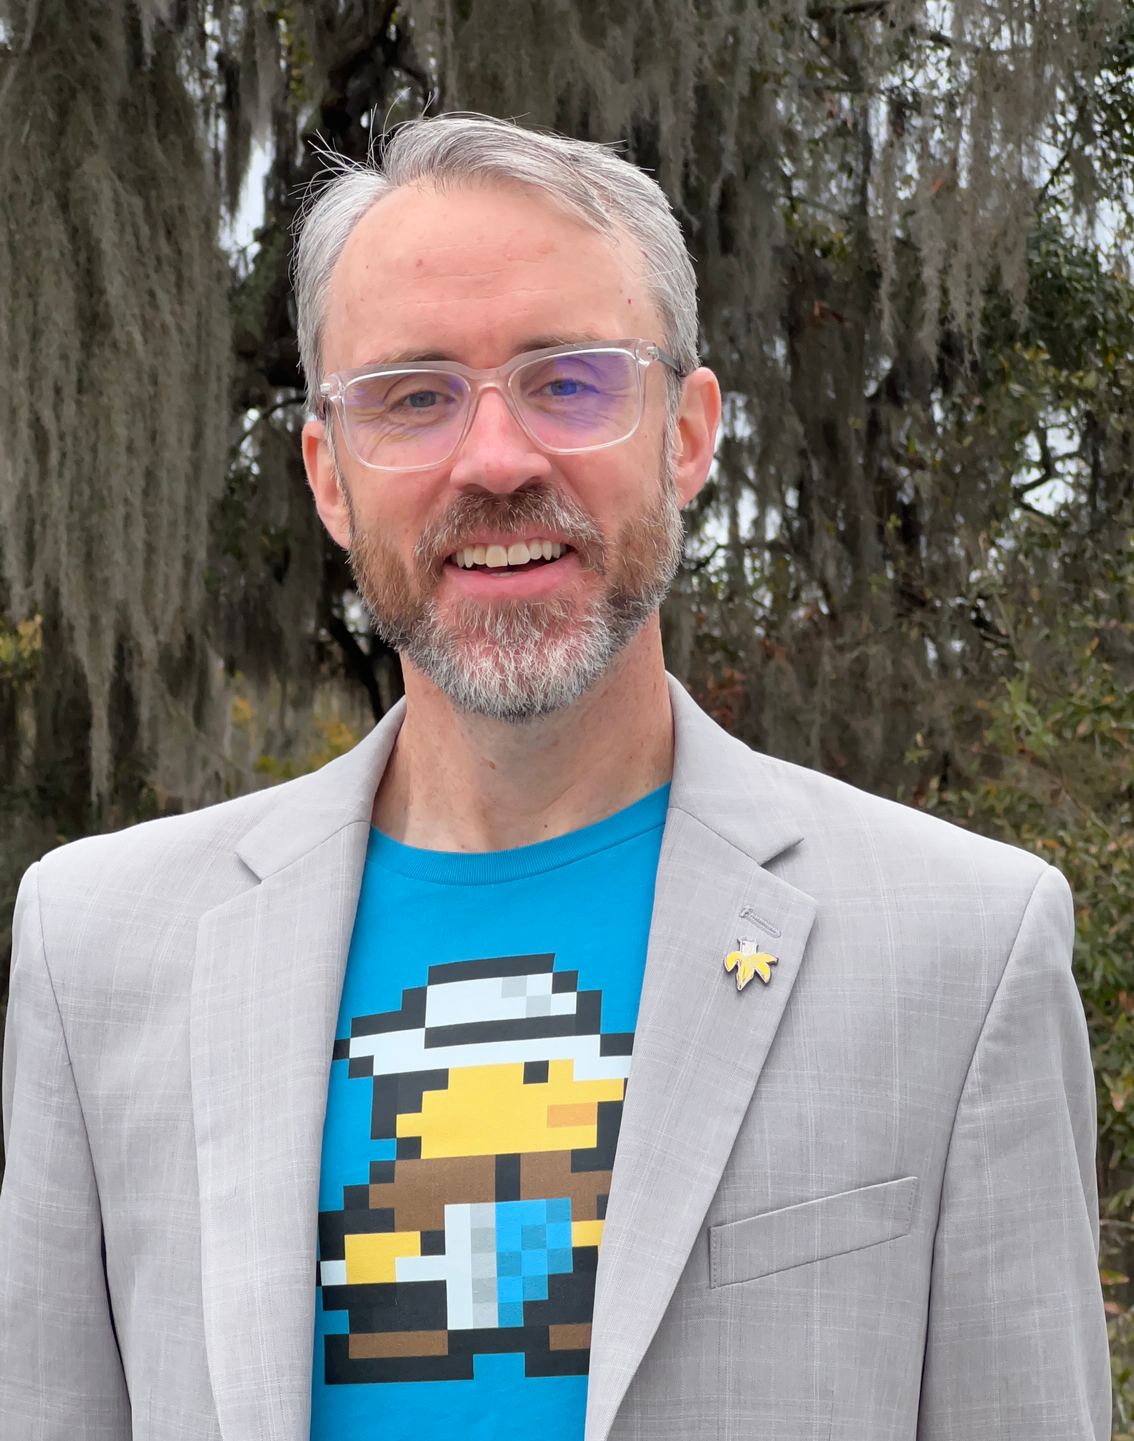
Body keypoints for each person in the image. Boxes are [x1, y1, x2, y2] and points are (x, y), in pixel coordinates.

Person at [0, 113, 1109, 1441]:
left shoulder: (961, 946)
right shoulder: (101, 943)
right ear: (330, 479)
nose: (496, 461)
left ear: (686, 436)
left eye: (568, 381)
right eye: (411, 396)